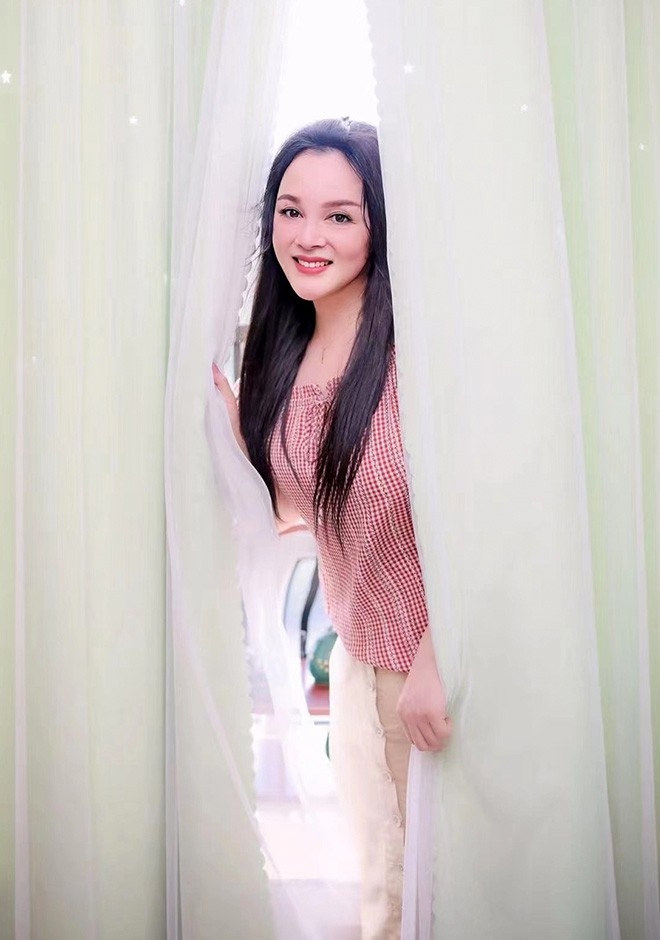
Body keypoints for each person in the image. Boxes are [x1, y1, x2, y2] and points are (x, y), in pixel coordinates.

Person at [213, 118, 452, 939]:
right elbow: (308, 513)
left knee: (441, 896)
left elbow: (480, 522)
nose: (308, 236)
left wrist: (435, 660)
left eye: (340, 215)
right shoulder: (282, 355)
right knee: (383, 894)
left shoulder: (419, 354)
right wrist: (229, 436)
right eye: (291, 210)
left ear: (379, 224)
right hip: (357, 672)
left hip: (437, 673)